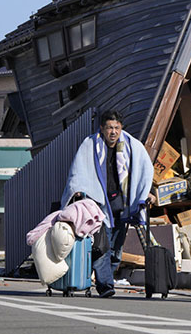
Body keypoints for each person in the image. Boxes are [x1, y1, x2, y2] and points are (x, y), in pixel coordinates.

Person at [61, 110, 153, 298]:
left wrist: (145, 192)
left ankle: (106, 278)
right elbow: (78, 170)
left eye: (117, 128)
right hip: (98, 204)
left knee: (116, 249)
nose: (113, 132)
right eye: (109, 127)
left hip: (122, 202)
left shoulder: (132, 146)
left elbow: (144, 170)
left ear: (121, 128)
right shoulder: (90, 145)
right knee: (102, 244)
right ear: (102, 128)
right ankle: (105, 285)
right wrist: (78, 190)